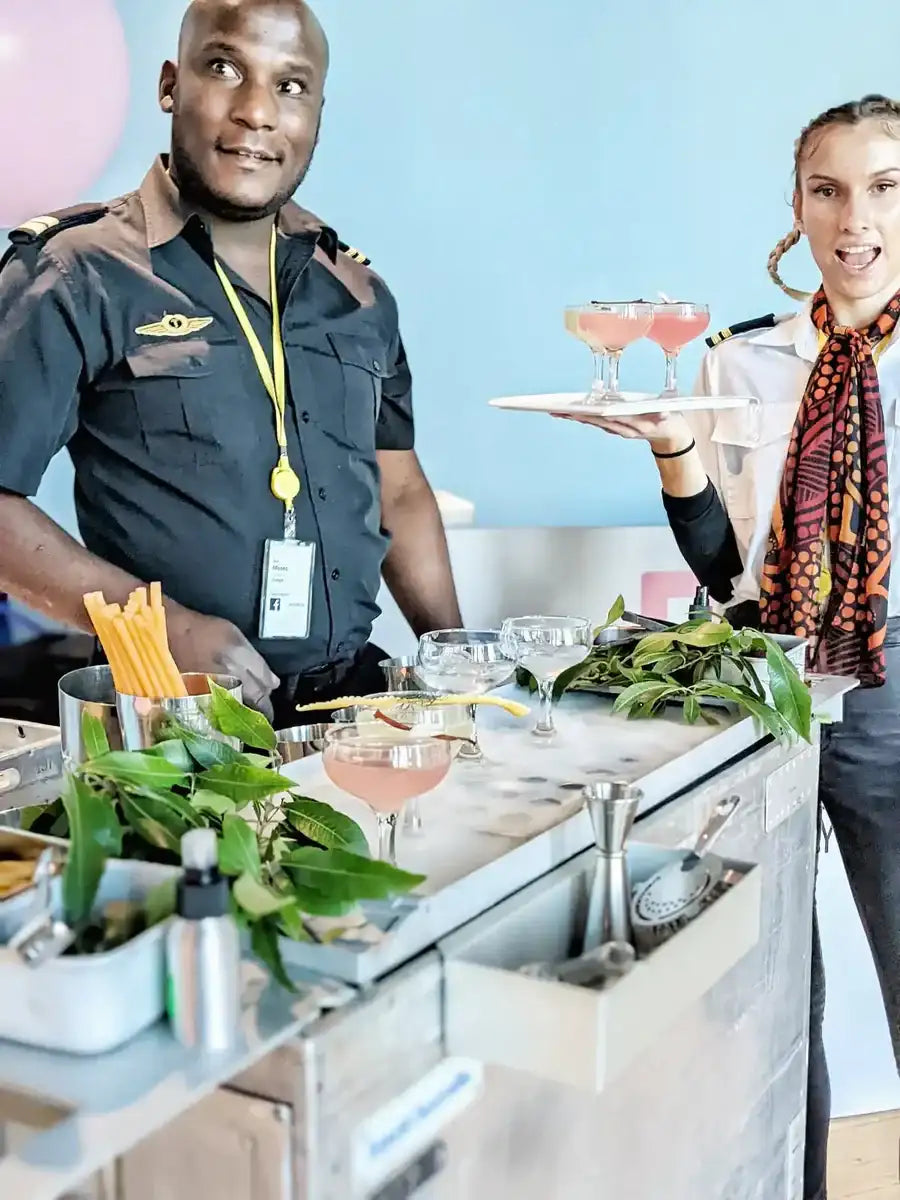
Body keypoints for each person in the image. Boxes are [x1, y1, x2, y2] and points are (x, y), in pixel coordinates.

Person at [559, 94, 900, 1200]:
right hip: (772, 696)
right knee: (768, 1004)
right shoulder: (741, 363)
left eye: (885, 188)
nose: (855, 220)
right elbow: (727, 572)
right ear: (795, 208)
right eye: (827, 189)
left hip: (897, 702)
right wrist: (673, 455)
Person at [0, 0, 462, 727]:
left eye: (290, 85)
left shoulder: (360, 291)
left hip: (352, 714)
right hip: (177, 724)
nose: (256, 112)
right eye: (224, 68)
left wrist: (452, 663)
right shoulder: (75, 272)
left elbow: (399, 490)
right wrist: (159, 627)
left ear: (316, 110)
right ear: (168, 86)